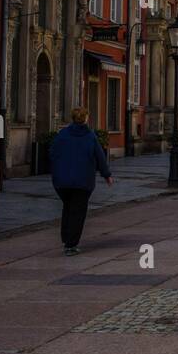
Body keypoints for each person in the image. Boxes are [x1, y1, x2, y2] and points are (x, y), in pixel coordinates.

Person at [49, 107, 114, 255]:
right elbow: (100, 157)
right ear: (85, 119)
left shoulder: (62, 134)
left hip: (62, 182)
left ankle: (66, 238)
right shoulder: (90, 136)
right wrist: (107, 175)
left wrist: (58, 170)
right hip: (82, 181)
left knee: (68, 207)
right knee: (77, 212)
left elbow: (52, 153)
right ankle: (71, 245)